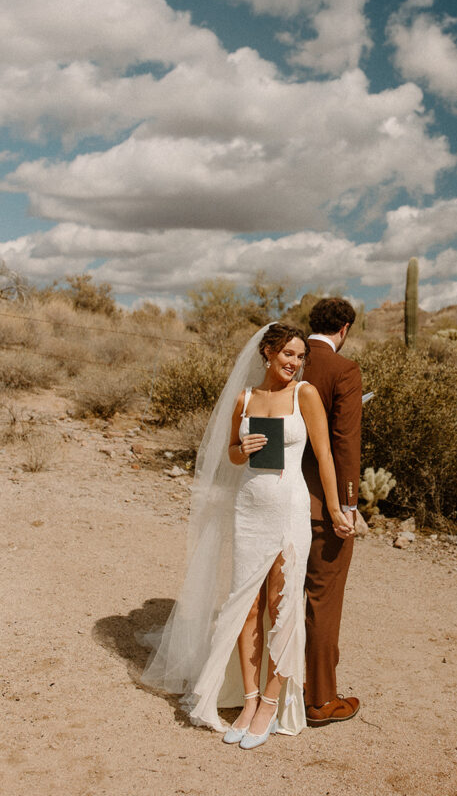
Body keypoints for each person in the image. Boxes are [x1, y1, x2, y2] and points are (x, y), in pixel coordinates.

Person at [140, 322, 352, 749]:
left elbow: (324, 453)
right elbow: (232, 456)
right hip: (249, 509)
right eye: (287, 355)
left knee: (283, 603)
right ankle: (250, 699)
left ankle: (273, 702)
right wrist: (244, 448)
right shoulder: (245, 398)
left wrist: (334, 508)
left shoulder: (304, 394)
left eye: (299, 356)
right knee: (246, 605)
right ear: (268, 354)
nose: (294, 363)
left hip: (289, 509)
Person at [302, 297, 363, 726]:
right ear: (343, 328)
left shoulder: (283, 360)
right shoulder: (343, 370)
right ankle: (321, 699)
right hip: (322, 506)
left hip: (276, 498)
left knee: (280, 597)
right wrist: (349, 505)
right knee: (323, 601)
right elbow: (345, 442)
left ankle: (276, 687)